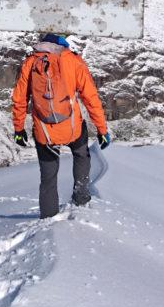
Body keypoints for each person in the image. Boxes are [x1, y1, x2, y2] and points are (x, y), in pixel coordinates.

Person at [11, 32, 110, 218]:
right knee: (82, 155)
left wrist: (18, 128)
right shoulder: (73, 61)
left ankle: (48, 217)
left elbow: (19, 99)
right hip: (72, 128)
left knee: (48, 177)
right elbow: (90, 98)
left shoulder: (30, 63)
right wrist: (102, 129)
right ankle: (81, 198)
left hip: (44, 132)